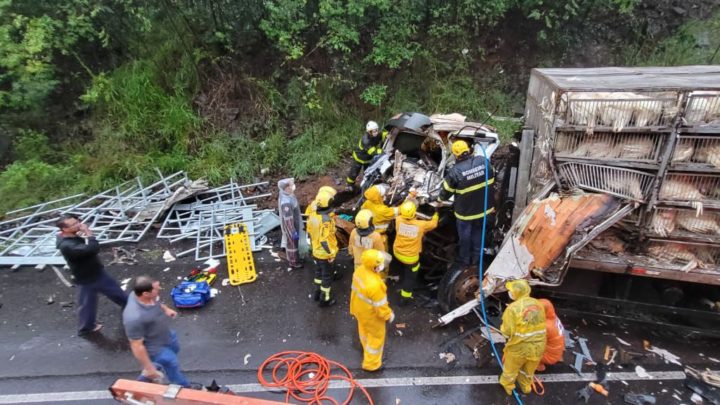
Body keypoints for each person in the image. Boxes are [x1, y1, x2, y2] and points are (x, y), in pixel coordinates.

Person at [55, 214, 127, 335]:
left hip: (94, 271)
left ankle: (128, 305)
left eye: (77, 221)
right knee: (87, 304)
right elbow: (92, 249)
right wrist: (89, 233)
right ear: (65, 229)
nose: (78, 224)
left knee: (114, 291)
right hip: (86, 276)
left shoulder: (69, 237)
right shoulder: (67, 245)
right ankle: (86, 328)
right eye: (74, 224)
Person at [123, 276, 189, 387]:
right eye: (157, 289)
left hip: (167, 336)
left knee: (174, 350)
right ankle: (184, 387)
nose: (160, 289)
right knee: (172, 364)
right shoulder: (133, 317)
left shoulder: (143, 295)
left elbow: (156, 302)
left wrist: (166, 309)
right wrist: (149, 368)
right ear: (145, 294)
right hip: (156, 349)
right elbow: (136, 346)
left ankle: (152, 368)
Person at [438, 139, 496, 267]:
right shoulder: (483, 161)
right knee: (478, 235)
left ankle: (464, 262)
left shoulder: (455, 171)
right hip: (483, 210)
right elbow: (492, 176)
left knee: (465, 238)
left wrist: (439, 199)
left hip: (465, 214)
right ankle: (477, 261)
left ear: (456, 155)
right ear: (469, 150)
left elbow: (445, 192)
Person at [499, 279, 546, 396]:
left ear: (516, 293)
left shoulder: (512, 309)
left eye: (511, 291)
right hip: (539, 347)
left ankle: (508, 386)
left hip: (519, 348)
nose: (509, 293)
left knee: (510, 370)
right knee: (529, 370)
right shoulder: (538, 304)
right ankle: (526, 386)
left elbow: (507, 331)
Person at [350, 249, 395, 372]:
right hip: (371, 316)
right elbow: (381, 307)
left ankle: (366, 347)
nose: (382, 266)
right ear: (374, 266)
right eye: (379, 264)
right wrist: (388, 316)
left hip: (359, 309)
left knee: (364, 330)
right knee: (376, 337)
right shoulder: (375, 285)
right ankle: (372, 364)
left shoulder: (360, 271)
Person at [393, 201, 438, 305]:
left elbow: (401, 213)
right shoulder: (421, 225)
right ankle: (405, 298)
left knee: (406, 267)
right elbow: (433, 224)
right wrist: (436, 213)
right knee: (410, 277)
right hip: (410, 258)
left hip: (397, 252)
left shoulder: (398, 220)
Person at [307, 191, 339, 307]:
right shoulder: (326, 220)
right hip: (324, 254)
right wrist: (331, 254)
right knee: (327, 277)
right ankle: (324, 299)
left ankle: (317, 293)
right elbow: (324, 240)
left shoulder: (313, 215)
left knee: (318, 274)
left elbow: (310, 232)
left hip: (316, 251)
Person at [346, 121, 387, 190]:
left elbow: (382, 134)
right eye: (373, 131)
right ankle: (349, 185)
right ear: (369, 131)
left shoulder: (376, 134)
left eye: (376, 130)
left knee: (368, 172)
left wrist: (387, 134)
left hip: (368, 159)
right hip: (359, 158)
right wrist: (383, 151)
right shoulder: (365, 141)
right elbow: (373, 152)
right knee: (354, 172)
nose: (375, 132)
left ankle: (366, 185)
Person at [360, 184, 398, 249]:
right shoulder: (383, 210)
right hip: (380, 236)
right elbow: (398, 211)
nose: (384, 196)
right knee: (382, 255)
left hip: (367, 234)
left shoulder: (367, 203)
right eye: (383, 195)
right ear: (378, 197)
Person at [278, 178, 303, 268]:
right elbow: (288, 219)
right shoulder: (286, 202)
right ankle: (293, 262)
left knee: (293, 243)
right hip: (291, 226)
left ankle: (295, 258)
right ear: (285, 188)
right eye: (290, 186)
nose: (292, 187)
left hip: (293, 224)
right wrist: (293, 231)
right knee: (292, 243)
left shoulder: (286, 195)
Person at [536, 298, 565, 372]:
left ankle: (538, 365)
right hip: (557, 350)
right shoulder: (553, 318)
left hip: (550, 356)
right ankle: (557, 357)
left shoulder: (545, 326)